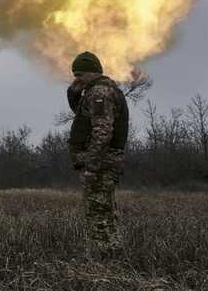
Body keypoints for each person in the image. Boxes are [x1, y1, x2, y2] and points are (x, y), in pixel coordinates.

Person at [67, 51, 129, 259]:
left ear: (92, 73)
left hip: (101, 165)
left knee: (98, 214)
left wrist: (92, 167)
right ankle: (114, 257)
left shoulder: (99, 93)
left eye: (79, 75)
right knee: (106, 212)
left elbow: (102, 133)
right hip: (104, 163)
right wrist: (73, 93)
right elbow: (84, 116)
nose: (77, 80)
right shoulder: (98, 91)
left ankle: (105, 263)